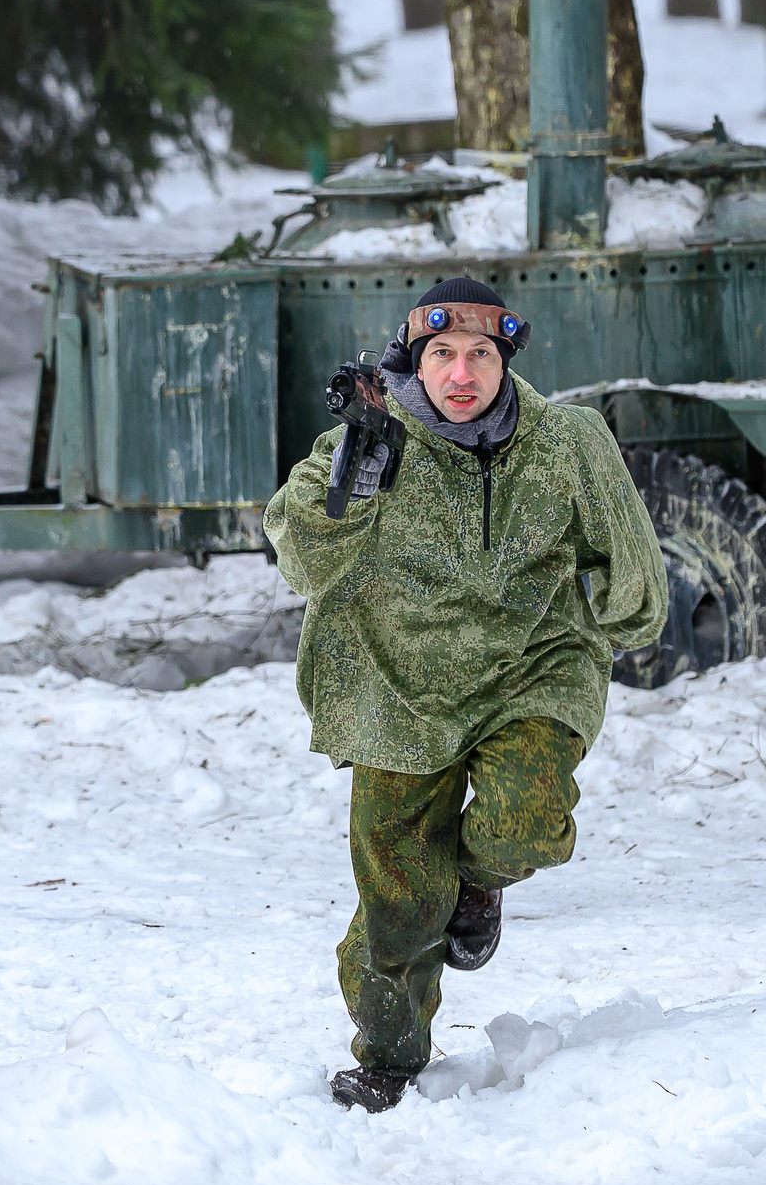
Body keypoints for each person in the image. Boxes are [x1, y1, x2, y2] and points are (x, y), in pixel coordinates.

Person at [264, 277, 669, 1112]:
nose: (460, 373)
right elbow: (299, 555)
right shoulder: (374, 441)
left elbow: (636, 583)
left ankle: (474, 883)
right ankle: (391, 1057)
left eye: (480, 354)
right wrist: (354, 478)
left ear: (505, 358)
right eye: (442, 354)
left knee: (526, 818)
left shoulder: (567, 442)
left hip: (531, 669)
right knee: (400, 905)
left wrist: (591, 619)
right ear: (417, 360)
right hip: (395, 687)